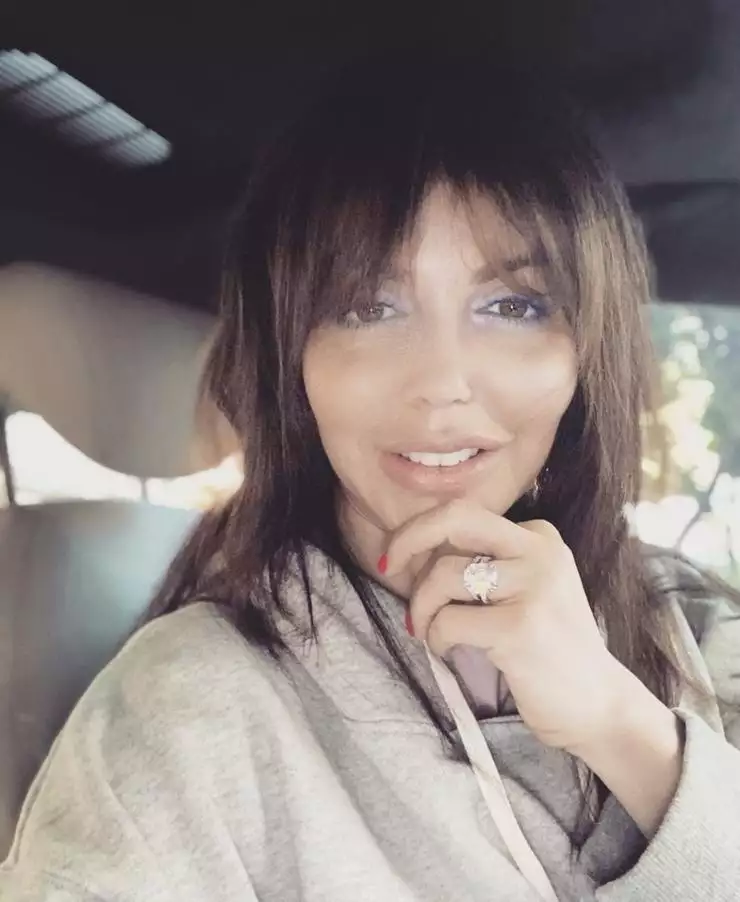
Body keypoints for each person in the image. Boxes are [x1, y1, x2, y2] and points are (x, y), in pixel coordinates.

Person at [2, 54, 740, 902]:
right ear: (294, 362)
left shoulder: (693, 626)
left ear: (584, 349)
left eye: (514, 305)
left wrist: (626, 729)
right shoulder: (177, 712)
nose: (442, 381)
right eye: (366, 307)